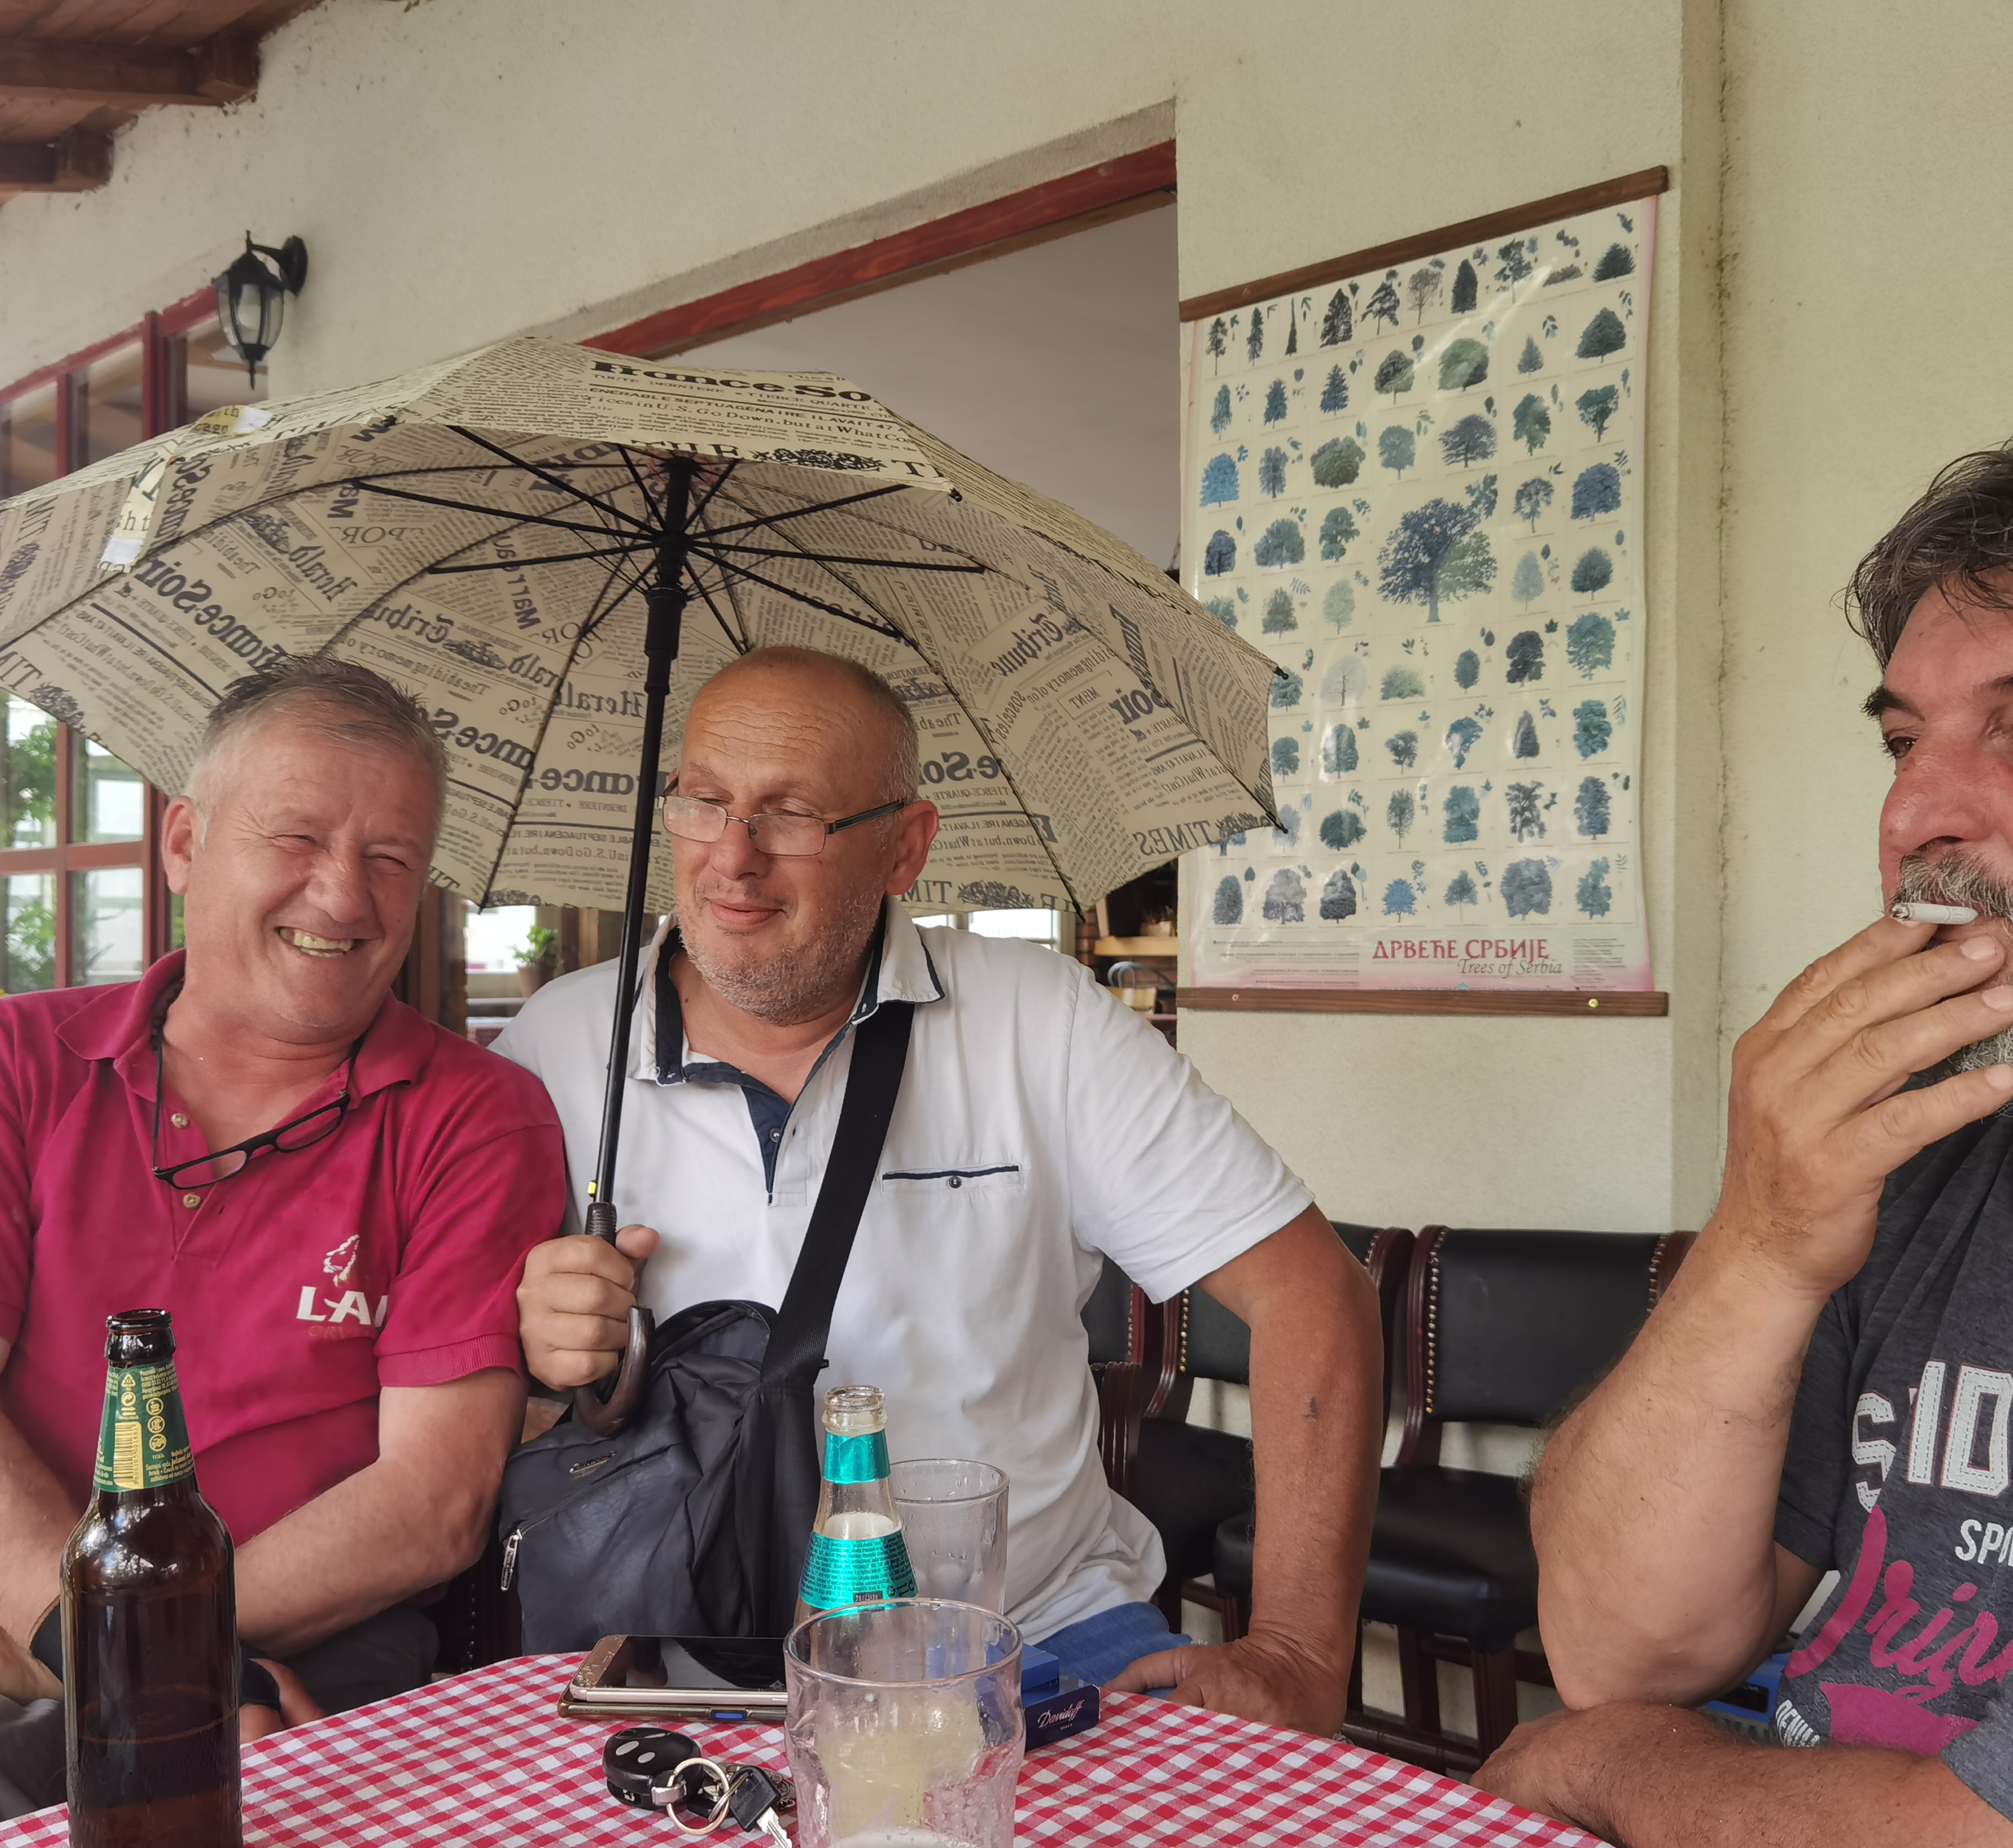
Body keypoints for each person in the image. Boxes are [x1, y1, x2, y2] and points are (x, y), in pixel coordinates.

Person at [1487, 406, 2013, 1848]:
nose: (1912, 817)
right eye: (1902, 742)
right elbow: (1623, 1646)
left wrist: (1614, 1766)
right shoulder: (1923, 1163)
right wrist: (1759, 1240)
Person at [502, 645, 1380, 1732]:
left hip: (1037, 1639)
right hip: (673, 1649)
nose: (733, 857)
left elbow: (1316, 1298)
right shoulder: (558, 1044)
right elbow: (472, 1411)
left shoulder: (1040, 1023)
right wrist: (543, 1361)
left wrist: (1298, 1652)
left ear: (905, 847)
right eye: (704, 802)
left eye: (792, 815)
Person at [0, 659, 566, 1848]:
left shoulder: (475, 1113)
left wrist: (117, 1646)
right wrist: (90, 1639)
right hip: (12, 1597)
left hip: (318, 1636)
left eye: (393, 858)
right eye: (297, 837)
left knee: (301, 1811)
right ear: (186, 843)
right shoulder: (5, 1064)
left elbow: (434, 1502)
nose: (344, 894)